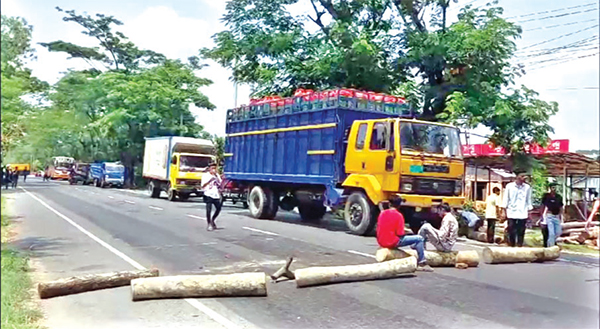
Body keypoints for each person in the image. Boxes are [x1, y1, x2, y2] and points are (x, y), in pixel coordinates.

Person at [376, 196, 433, 272]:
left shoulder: (382, 213)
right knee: (419, 239)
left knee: (412, 238)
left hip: (381, 241)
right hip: (392, 241)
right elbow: (400, 233)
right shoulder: (399, 216)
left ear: (389, 204)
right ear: (399, 205)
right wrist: (409, 232)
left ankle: (415, 248)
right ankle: (422, 262)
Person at [501, 170, 533, 247]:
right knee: (511, 230)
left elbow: (528, 200)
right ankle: (511, 245)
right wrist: (503, 212)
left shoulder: (527, 187)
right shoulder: (509, 186)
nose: (524, 178)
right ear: (517, 177)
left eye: (525, 176)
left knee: (521, 231)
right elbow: (506, 199)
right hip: (511, 212)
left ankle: (519, 245)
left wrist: (529, 213)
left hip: (523, 213)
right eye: (522, 176)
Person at [201, 163, 223, 231]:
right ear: (209, 169)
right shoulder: (205, 176)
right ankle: (209, 224)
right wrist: (209, 180)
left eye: (215, 168)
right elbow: (203, 186)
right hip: (208, 194)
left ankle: (213, 220)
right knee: (209, 209)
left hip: (215, 194)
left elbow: (220, 184)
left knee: (218, 208)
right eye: (212, 168)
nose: (213, 170)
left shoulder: (217, 176)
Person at [541, 183, 563, 247]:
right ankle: (550, 246)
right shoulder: (546, 196)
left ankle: (553, 241)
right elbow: (543, 205)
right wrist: (542, 215)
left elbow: (561, 206)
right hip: (549, 215)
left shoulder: (558, 197)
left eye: (555, 187)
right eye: (553, 187)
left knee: (558, 232)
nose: (554, 189)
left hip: (556, 215)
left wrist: (561, 215)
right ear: (549, 188)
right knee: (551, 233)